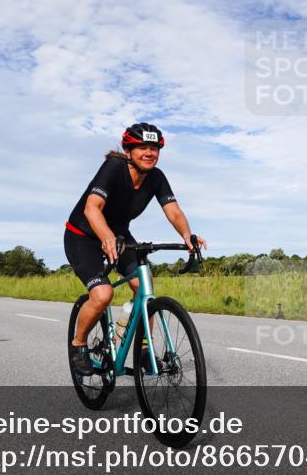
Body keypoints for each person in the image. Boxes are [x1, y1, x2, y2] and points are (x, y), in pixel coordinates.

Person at [64, 122, 207, 375]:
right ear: (128, 151)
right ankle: (79, 345)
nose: (149, 153)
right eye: (142, 147)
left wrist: (187, 235)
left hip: (119, 237)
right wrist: (105, 236)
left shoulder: (156, 177)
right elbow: (92, 207)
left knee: (144, 286)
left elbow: (173, 211)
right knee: (102, 295)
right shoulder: (114, 167)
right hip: (83, 237)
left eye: (154, 148)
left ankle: (143, 350)